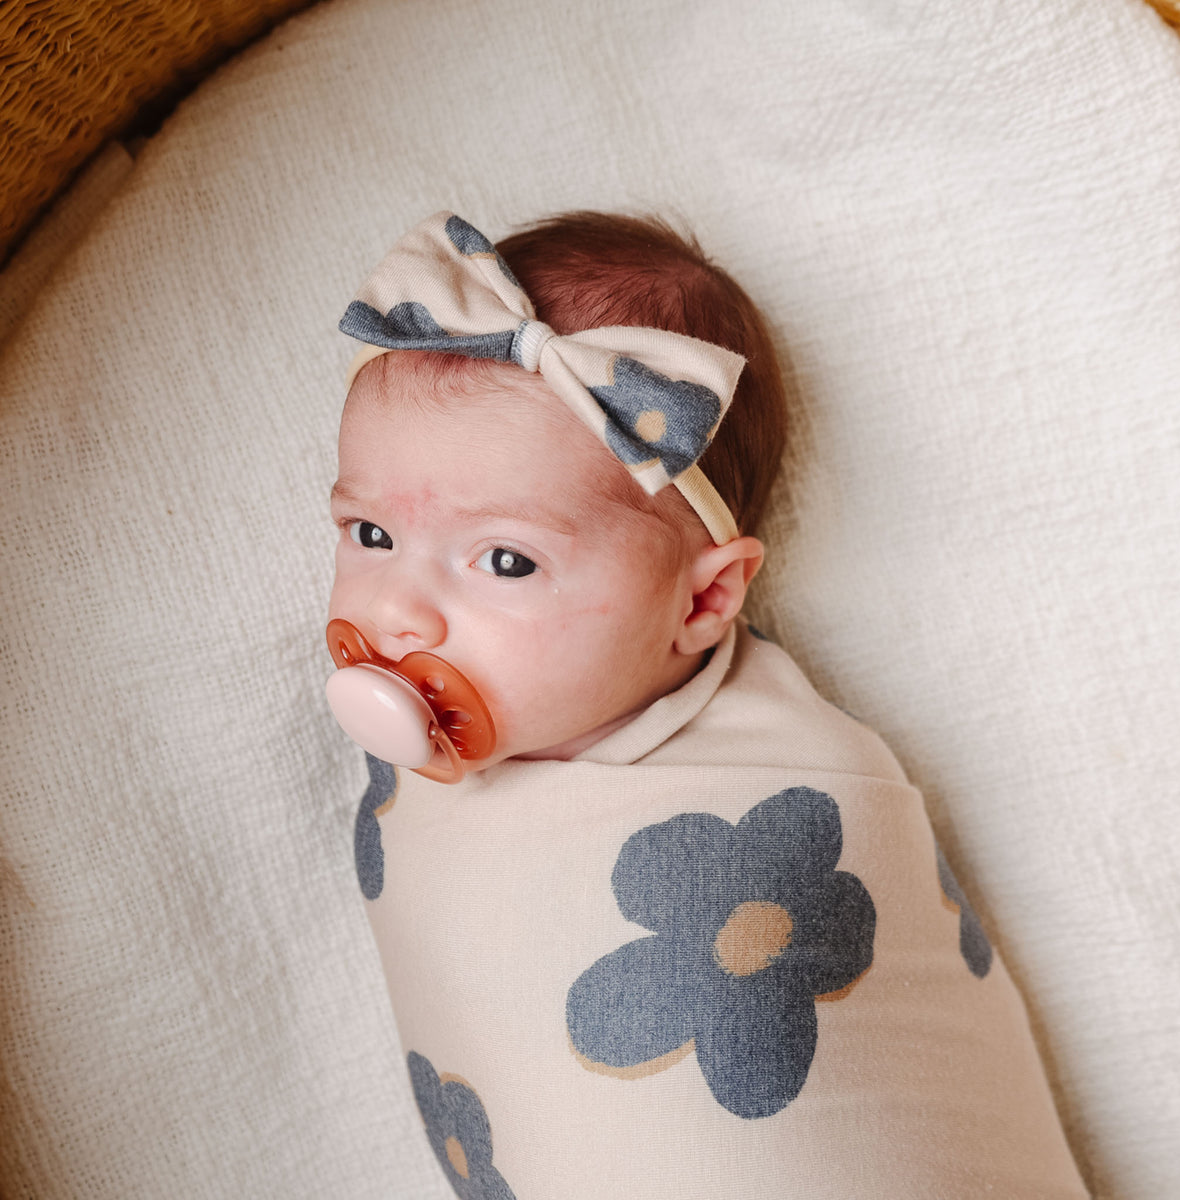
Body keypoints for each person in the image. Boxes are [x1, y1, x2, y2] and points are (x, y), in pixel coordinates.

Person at [325, 212, 1089, 1199]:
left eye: (505, 560)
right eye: (368, 533)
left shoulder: (793, 784)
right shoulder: (421, 774)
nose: (393, 609)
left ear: (703, 599)